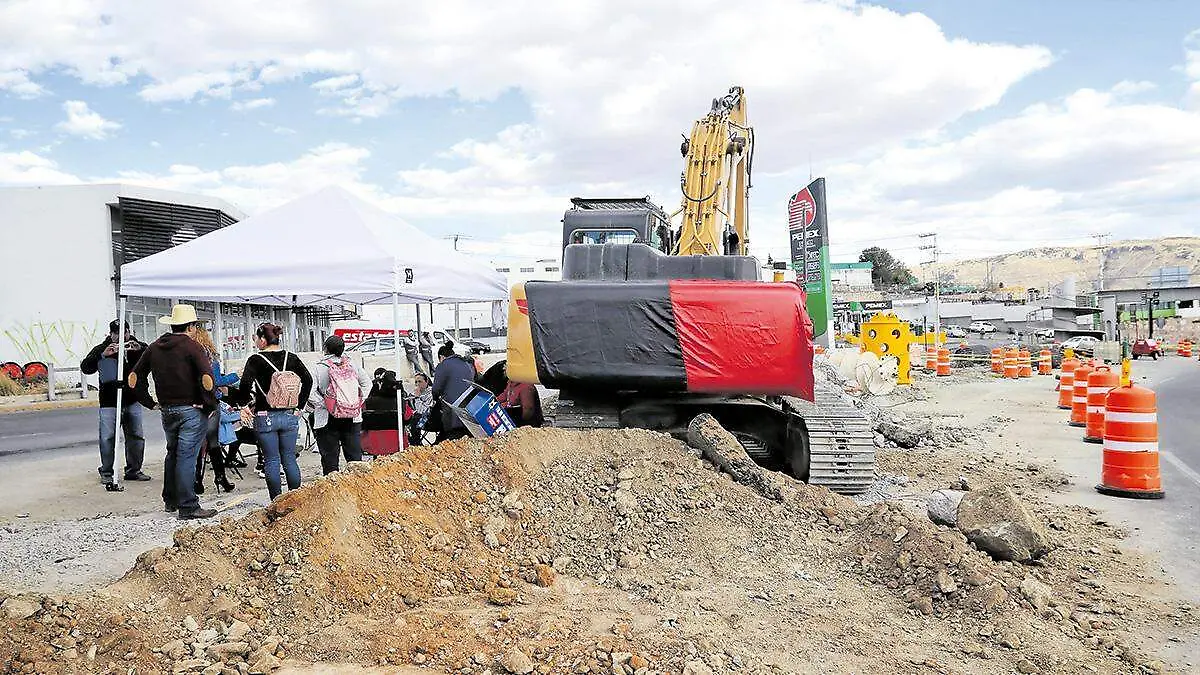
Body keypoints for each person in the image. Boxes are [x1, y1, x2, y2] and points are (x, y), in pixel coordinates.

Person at [128, 304, 218, 520]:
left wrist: (149, 402)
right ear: (190, 326)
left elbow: (135, 376)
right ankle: (188, 506)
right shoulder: (192, 347)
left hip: (167, 410)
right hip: (191, 411)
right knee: (187, 456)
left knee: (173, 453)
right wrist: (209, 405)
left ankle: (171, 500)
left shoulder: (155, 347)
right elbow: (207, 380)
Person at [234, 322, 313, 500]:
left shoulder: (255, 360)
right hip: (290, 415)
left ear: (263, 339)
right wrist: (299, 407)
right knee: (289, 459)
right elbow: (307, 380)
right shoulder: (291, 358)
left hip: (265, 416)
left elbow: (244, 385)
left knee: (271, 460)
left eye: (256, 338)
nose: (255, 341)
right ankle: (296, 500)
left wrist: (245, 405)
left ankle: (276, 502)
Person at [80, 320, 149, 489]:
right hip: (109, 402)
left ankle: (134, 470)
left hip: (132, 400)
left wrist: (140, 349)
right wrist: (103, 355)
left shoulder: (136, 346)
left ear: (128, 332)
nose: (120, 337)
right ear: (111, 334)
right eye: (116, 333)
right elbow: (86, 367)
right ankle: (107, 472)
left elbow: (152, 357)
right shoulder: (101, 348)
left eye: (123, 333)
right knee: (107, 438)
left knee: (136, 436)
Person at [185, 324, 236, 494]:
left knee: (199, 443)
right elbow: (215, 381)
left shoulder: (185, 355)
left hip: (192, 402)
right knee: (213, 442)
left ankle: (197, 481)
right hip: (211, 402)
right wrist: (236, 375)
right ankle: (220, 478)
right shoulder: (208, 354)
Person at [309, 335, 371, 475]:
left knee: (330, 460)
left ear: (325, 349)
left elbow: (310, 393)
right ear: (343, 349)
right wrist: (357, 402)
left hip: (327, 418)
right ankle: (357, 488)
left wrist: (326, 404)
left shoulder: (319, 367)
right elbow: (367, 383)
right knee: (355, 459)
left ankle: (333, 491)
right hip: (352, 417)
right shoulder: (352, 364)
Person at [431, 341, 475, 443]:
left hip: (452, 411)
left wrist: (435, 399)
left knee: (453, 440)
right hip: (469, 410)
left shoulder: (443, 365)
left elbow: (436, 389)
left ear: (441, 356)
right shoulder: (466, 364)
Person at [407, 372, 434, 445]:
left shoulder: (431, 393)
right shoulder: (414, 393)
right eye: (416, 382)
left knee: (415, 419)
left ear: (426, 382)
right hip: (417, 419)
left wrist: (417, 398)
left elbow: (423, 411)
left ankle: (416, 444)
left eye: (420, 381)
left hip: (429, 420)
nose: (417, 384)